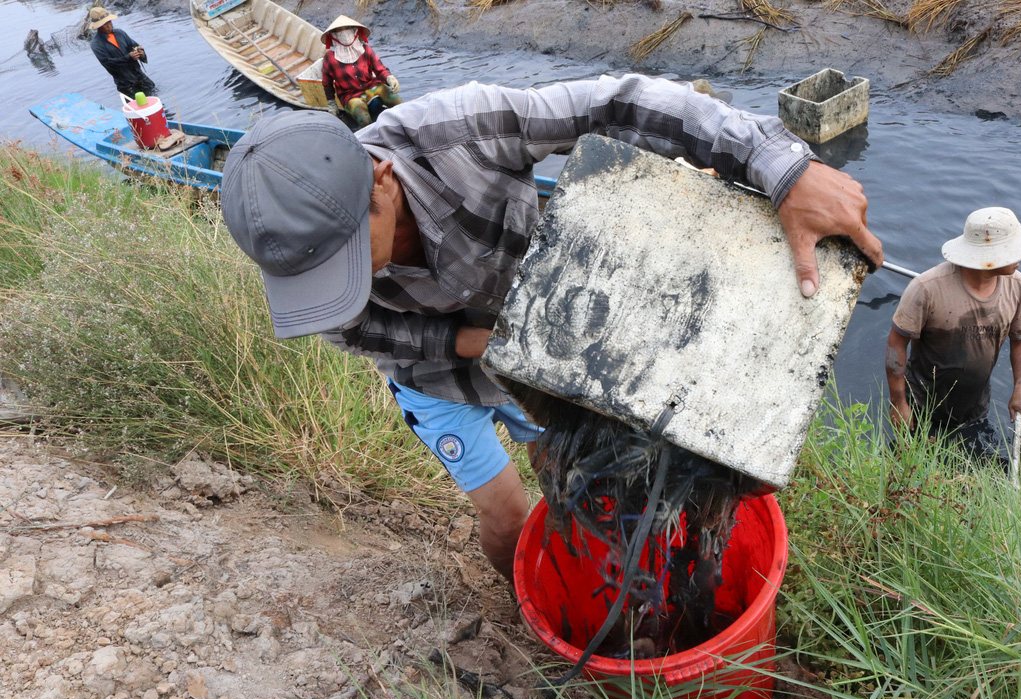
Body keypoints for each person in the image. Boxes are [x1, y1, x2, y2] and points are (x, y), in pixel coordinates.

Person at [220, 74, 883, 582]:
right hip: (437, 376)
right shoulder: (300, 257)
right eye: (324, 275)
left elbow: (621, 103)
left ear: (381, 179)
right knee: (509, 522)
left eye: (352, 256)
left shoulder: (457, 132)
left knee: (565, 475)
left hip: (550, 350)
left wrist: (783, 167)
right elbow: (361, 335)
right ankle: (531, 607)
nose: (348, 283)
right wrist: (465, 344)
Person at [886, 206, 1021, 438]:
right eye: (1012, 251)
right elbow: (896, 344)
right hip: (921, 404)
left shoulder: (1017, 285)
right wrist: (898, 402)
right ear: (989, 256)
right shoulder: (927, 288)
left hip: (975, 406)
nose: (1020, 259)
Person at [320, 16, 401, 128]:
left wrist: (390, 78)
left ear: (355, 31)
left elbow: (379, 68)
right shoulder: (330, 58)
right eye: (340, 30)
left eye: (348, 28)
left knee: (397, 101)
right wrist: (332, 104)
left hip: (373, 87)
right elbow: (327, 83)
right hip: (351, 96)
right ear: (333, 35)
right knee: (364, 119)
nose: (345, 33)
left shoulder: (365, 49)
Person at [87, 6, 156, 99]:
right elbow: (108, 63)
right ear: (98, 26)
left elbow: (134, 45)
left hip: (139, 76)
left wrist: (141, 53)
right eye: (105, 24)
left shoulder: (120, 33)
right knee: (139, 107)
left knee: (156, 99)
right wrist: (129, 57)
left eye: (109, 22)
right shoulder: (96, 44)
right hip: (126, 84)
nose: (109, 25)